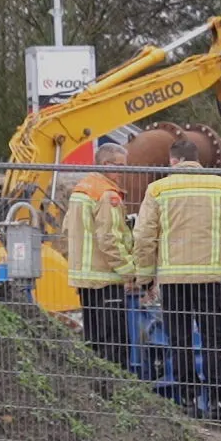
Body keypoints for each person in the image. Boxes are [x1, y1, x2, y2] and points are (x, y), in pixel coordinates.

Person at [132, 137, 221, 423]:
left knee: (180, 342)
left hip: (174, 281)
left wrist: (146, 276)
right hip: (211, 279)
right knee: (213, 341)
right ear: (198, 160)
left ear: (173, 161)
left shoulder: (158, 189)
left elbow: (144, 235)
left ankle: (188, 400)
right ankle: (219, 404)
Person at [61, 141, 134, 368]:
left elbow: (66, 230)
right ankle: (118, 391)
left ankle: (98, 389)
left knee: (93, 340)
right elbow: (109, 239)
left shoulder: (81, 190)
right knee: (115, 344)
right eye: (120, 166)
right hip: (105, 280)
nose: (124, 172)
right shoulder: (107, 195)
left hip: (85, 279)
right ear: (106, 164)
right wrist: (130, 272)